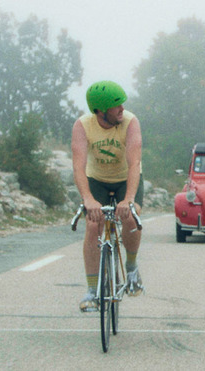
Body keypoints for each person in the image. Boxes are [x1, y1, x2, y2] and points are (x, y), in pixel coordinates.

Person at [72, 80, 144, 312]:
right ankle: (92, 291)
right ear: (101, 112)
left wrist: (129, 198)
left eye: (122, 104)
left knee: (131, 218)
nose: (122, 108)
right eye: (116, 106)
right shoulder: (82, 126)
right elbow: (78, 166)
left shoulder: (130, 123)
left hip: (126, 179)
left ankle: (131, 269)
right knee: (93, 225)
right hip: (97, 180)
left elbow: (134, 163)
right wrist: (88, 199)